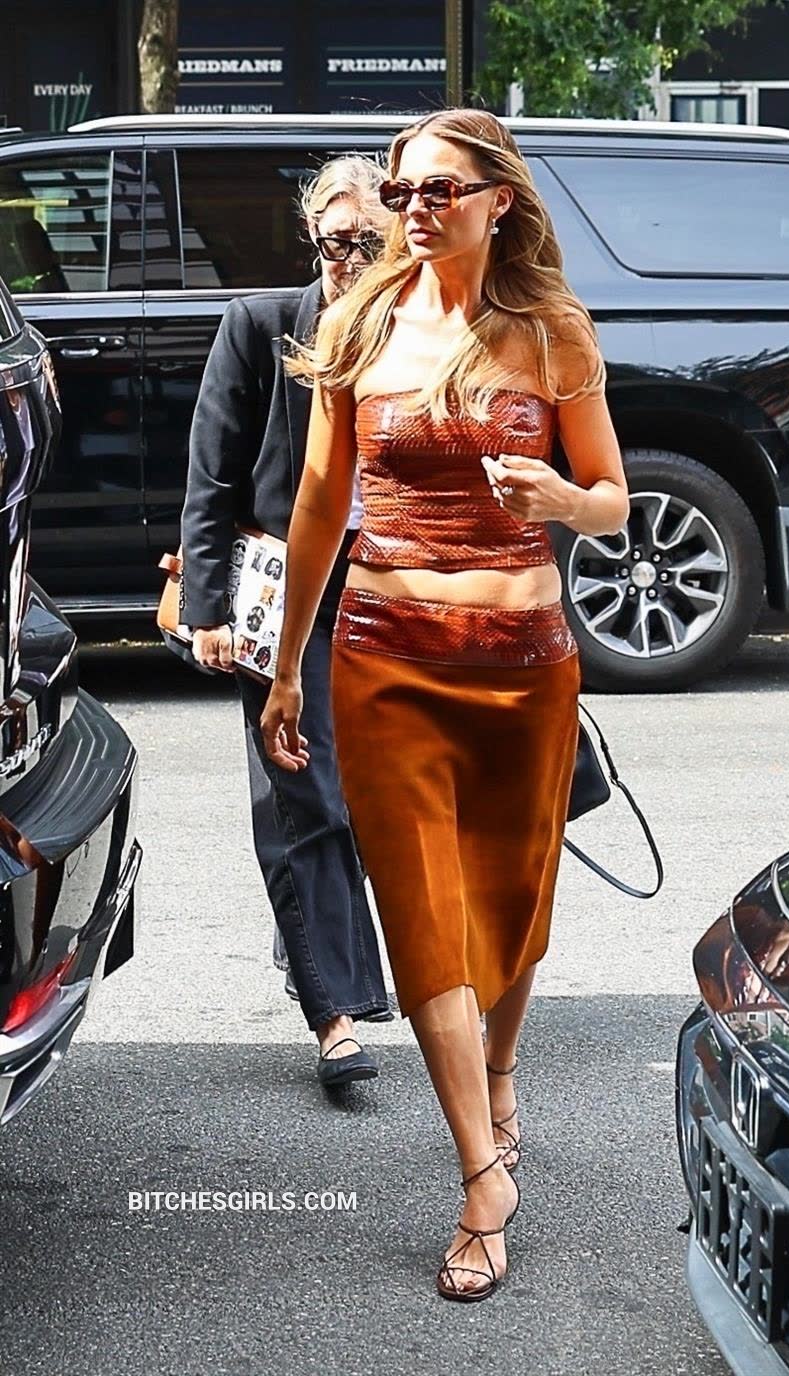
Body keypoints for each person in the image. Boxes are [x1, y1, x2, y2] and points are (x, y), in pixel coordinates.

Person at [261, 109, 629, 1299]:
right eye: (403, 191)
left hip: (524, 665)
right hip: (384, 659)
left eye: (439, 190)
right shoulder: (359, 322)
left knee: (511, 903)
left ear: (496, 201)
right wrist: (285, 663)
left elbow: (613, 496)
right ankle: (482, 1174)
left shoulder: (550, 329)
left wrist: (562, 501)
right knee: (423, 915)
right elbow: (319, 507)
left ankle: (501, 1075)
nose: (414, 210)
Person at [179, 155, 393, 1088]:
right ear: (311, 236)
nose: (350, 261)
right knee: (302, 792)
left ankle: (312, 935)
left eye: (370, 243)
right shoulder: (260, 327)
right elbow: (212, 478)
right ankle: (334, 1014)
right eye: (336, 242)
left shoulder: (424, 334)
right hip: (282, 588)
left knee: (378, 797)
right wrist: (209, 609)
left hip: (391, 587)